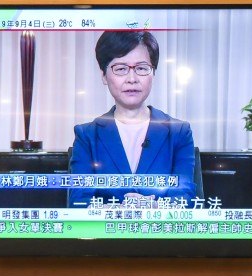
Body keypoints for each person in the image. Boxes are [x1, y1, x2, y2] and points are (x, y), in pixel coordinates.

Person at [68, 31, 197, 210]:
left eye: (142, 68)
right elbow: (79, 201)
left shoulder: (179, 132)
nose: (132, 79)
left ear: (153, 73)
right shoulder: (87, 135)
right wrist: (118, 211)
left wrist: (152, 208)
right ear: (104, 76)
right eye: (120, 69)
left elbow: (185, 196)